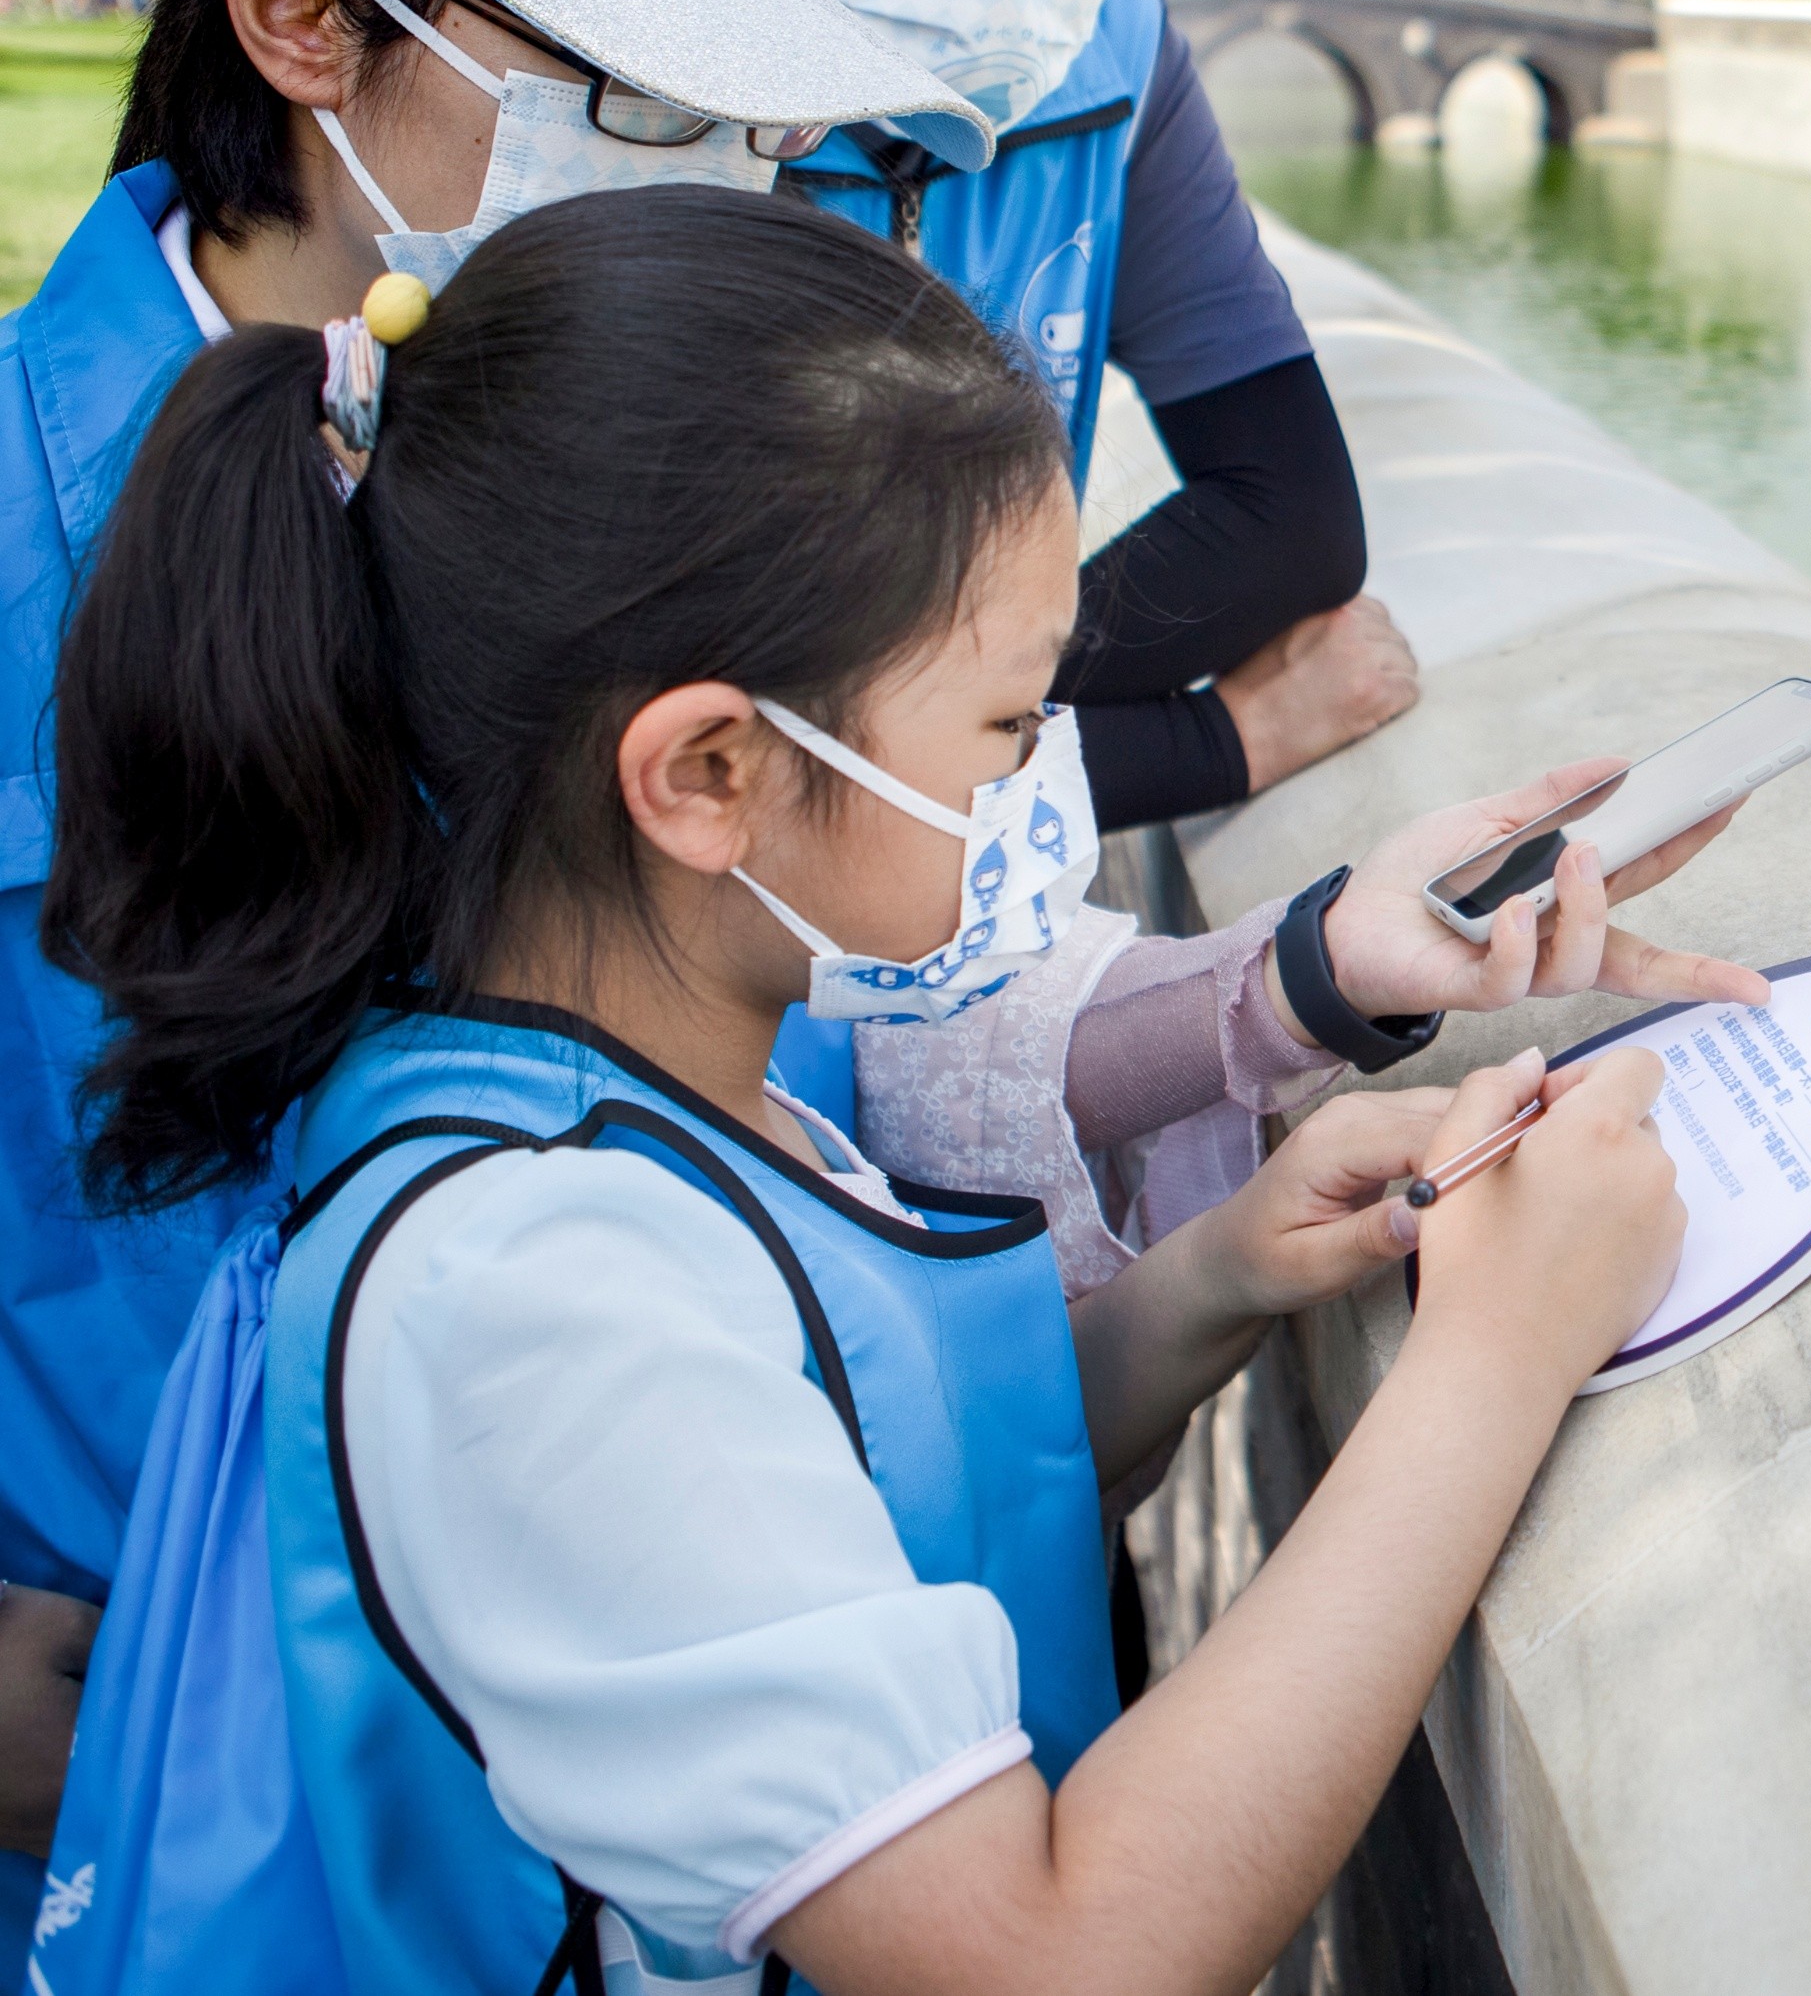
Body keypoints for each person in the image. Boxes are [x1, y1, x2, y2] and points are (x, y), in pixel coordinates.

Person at [38, 190, 1711, 1993]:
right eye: (1005, 728)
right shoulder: (531, 1289)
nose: (1035, 786)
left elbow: (846, 1484)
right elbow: (1051, 1958)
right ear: (708, 771)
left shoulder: (621, 1091)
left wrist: (1220, 1276)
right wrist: (1497, 1355)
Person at [0, 0, 997, 1894]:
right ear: (292, 11)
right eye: (638, 99)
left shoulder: (653, 465)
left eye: (765, 123)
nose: (715, 184)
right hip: (191, 1838)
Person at [737, 0, 1417, 841]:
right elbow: (683, 735)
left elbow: (1290, 521)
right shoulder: (603, 90)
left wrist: (931, 729)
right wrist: (1217, 742)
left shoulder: (1116, 51)